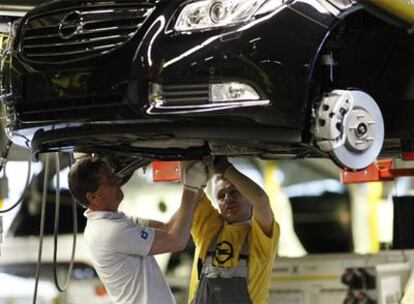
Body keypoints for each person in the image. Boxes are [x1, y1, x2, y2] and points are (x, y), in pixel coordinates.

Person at [67, 156, 208, 304]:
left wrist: (196, 191)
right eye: (109, 180)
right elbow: (176, 241)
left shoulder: (114, 221)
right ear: (93, 197)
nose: (118, 181)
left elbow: (168, 228)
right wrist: (191, 188)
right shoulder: (109, 231)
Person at [188, 157, 280, 304]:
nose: (228, 199)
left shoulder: (260, 236)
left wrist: (225, 168)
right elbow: (188, 183)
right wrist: (204, 167)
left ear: (248, 196)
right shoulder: (207, 228)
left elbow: (261, 200)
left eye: (234, 192)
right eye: (221, 196)